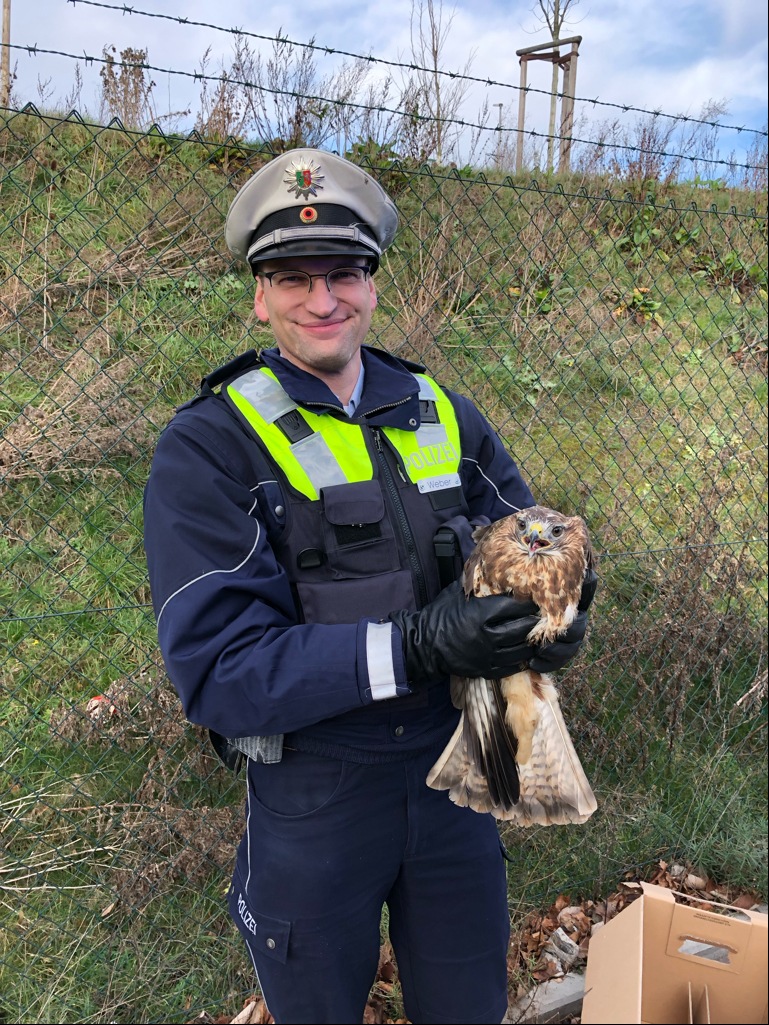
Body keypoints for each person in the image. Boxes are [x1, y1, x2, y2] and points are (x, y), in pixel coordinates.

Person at [143, 148, 597, 1025]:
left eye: (343, 272)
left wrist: (560, 613)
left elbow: (539, 531)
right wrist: (421, 642)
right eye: (292, 276)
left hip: (452, 768)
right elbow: (219, 671)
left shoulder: (440, 409)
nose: (322, 300)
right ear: (259, 293)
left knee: (468, 1002)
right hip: (315, 791)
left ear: (374, 283)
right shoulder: (209, 445)